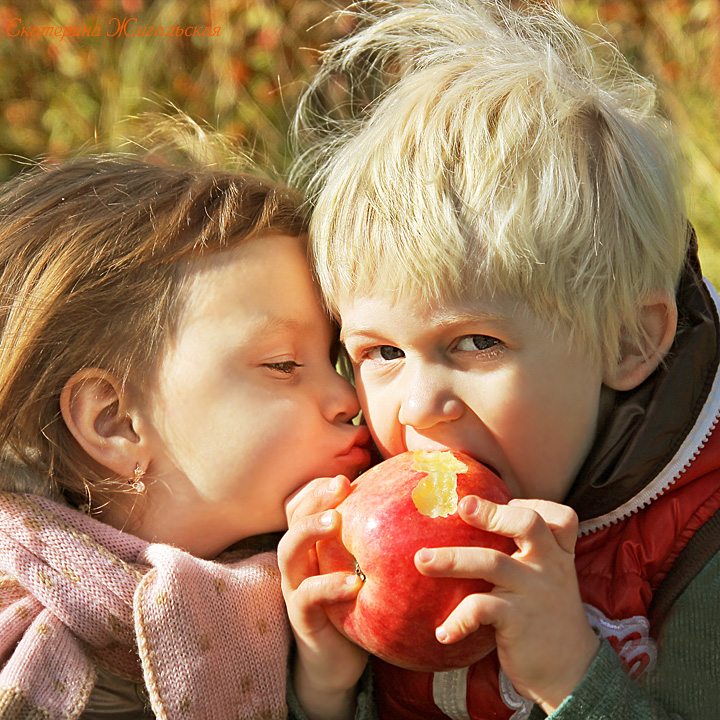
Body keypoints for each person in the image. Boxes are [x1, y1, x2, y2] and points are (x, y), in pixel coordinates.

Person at [282, 0, 720, 718]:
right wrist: (326, 686)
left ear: (628, 343)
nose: (419, 407)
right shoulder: (348, 503)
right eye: (382, 352)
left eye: (476, 343)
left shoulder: (702, 546)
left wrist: (573, 678)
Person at [0, 146, 375, 720]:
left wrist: (323, 692)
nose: (348, 399)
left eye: (334, 358)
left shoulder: (339, 590)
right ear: (115, 421)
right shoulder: (19, 641)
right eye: (283, 364)